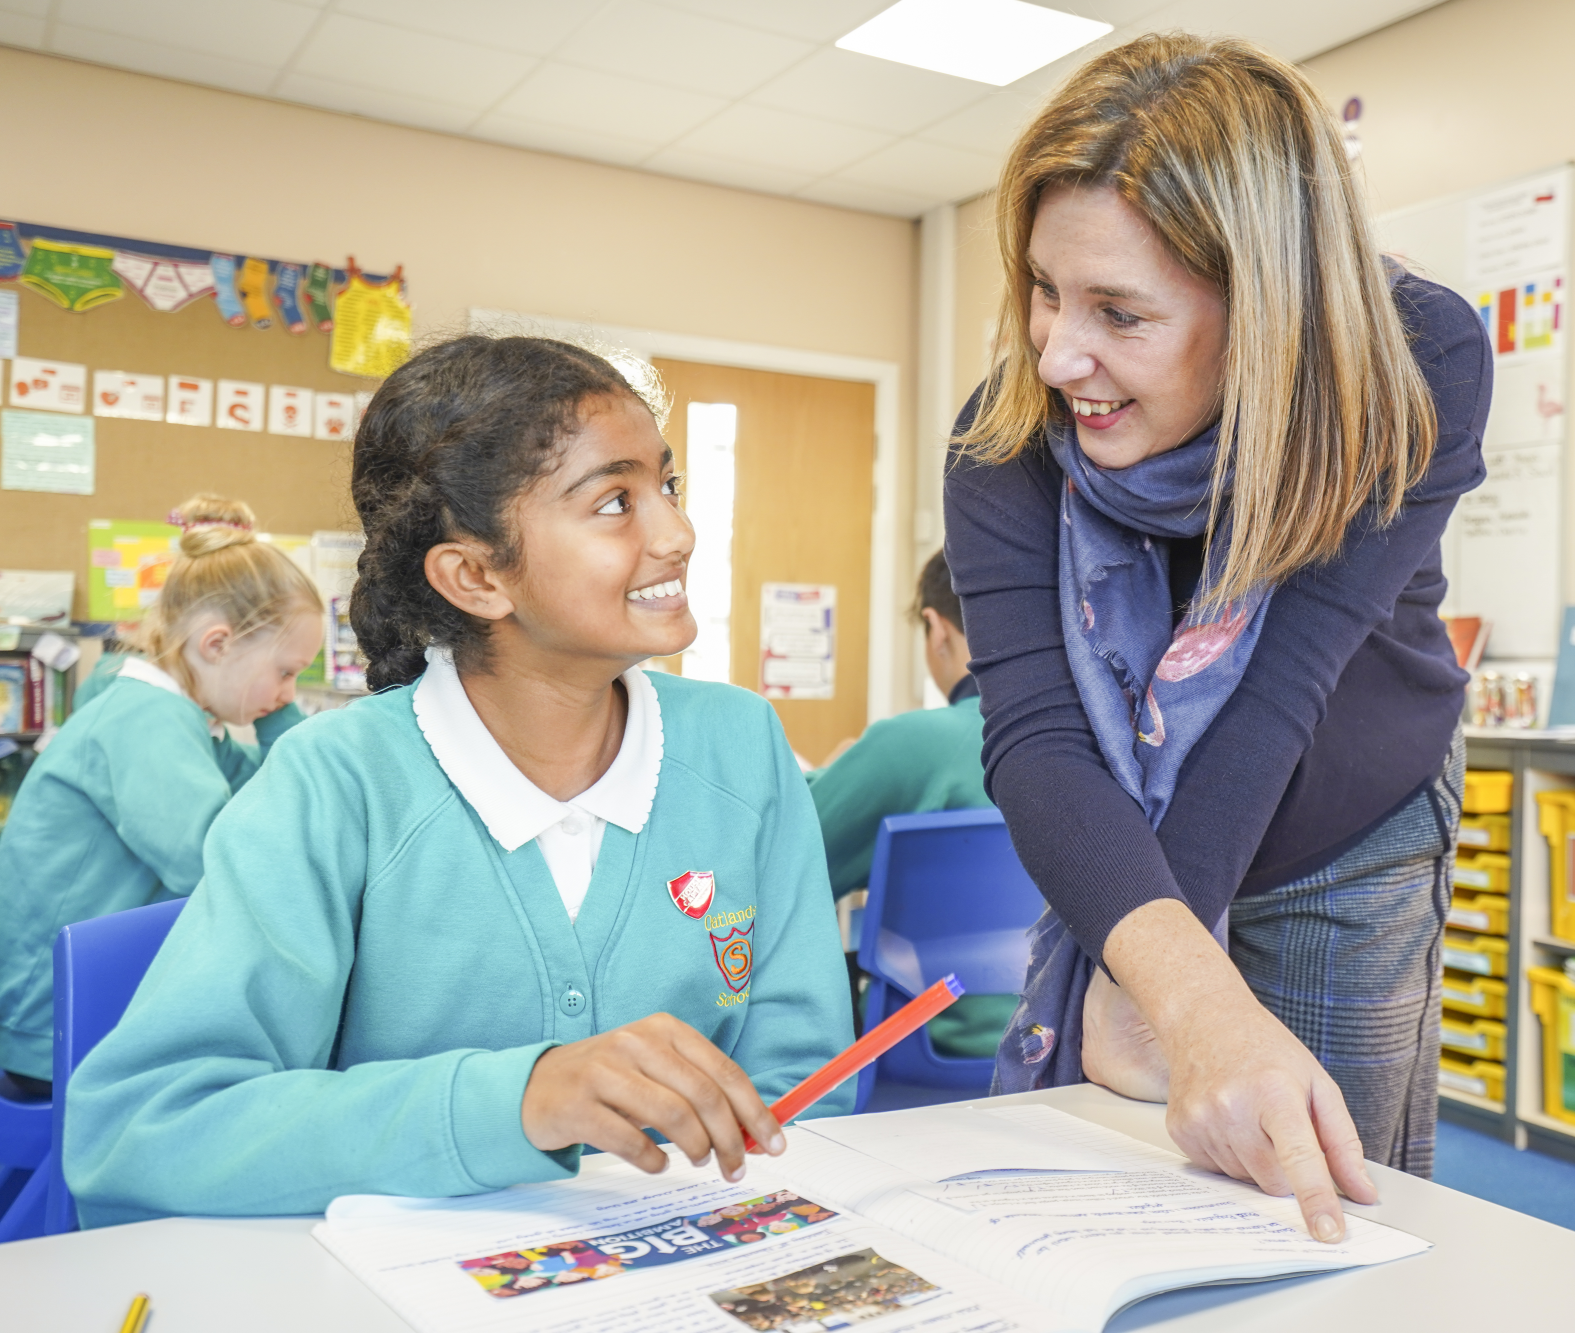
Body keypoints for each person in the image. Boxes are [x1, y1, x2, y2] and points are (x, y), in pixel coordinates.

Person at [64, 336, 851, 1226]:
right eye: (615, 501)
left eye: (667, 487)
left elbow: (805, 1085)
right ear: (475, 575)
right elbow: (142, 1126)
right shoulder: (337, 783)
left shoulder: (741, 745)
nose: (678, 533)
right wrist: (518, 1098)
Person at [943, 33, 1491, 1244]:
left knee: (1320, 1208)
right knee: (1098, 1173)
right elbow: (1037, 738)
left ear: (1263, 310)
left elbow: (1278, 691)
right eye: (1042, 286)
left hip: (1337, 812)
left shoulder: (1413, 361)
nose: (1054, 353)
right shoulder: (1005, 437)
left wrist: (1178, 1007)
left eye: (1118, 313)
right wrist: (1170, 983)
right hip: (1118, 820)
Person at [0, 495, 322, 1100]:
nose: (288, 691)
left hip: (73, 999)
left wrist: (277, 717)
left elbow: (276, 791)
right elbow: (210, 860)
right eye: (285, 672)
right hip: (48, 1021)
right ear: (216, 644)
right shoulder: (145, 719)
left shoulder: (182, 716)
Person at [803, 549, 1007, 1054]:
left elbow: (794, 857)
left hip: (924, 1056)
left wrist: (837, 770)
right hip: (1068, 1052)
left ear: (937, 629)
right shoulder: (1110, 745)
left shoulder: (915, 745)